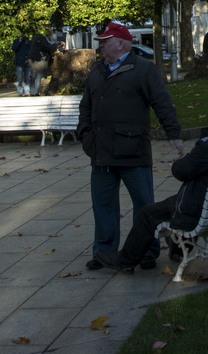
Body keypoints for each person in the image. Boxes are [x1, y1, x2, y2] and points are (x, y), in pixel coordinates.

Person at [96, 93, 208, 273]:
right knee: (171, 204)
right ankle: (178, 249)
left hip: (200, 208)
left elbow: (180, 171)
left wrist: (185, 159)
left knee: (148, 213)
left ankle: (125, 260)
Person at [78, 21, 184, 271]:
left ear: (122, 43)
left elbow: (162, 103)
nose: (101, 46)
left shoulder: (144, 69)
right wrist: (85, 133)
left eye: (105, 41)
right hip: (101, 152)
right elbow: (86, 105)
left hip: (133, 151)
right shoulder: (97, 70)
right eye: (101, 42)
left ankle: (147, 252)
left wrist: (173, 134)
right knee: (103, 206)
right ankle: (103, 252)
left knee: (144, 206)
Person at [27, 28, 64, 96]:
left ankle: (33, 92)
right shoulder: (42, 38)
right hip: (38, 60)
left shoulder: (38, 37)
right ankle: (36, 92)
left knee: (33, 77)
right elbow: (48, 47)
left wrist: (55, 44)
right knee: (37, 77)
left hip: (33, 59)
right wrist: (56, 44)